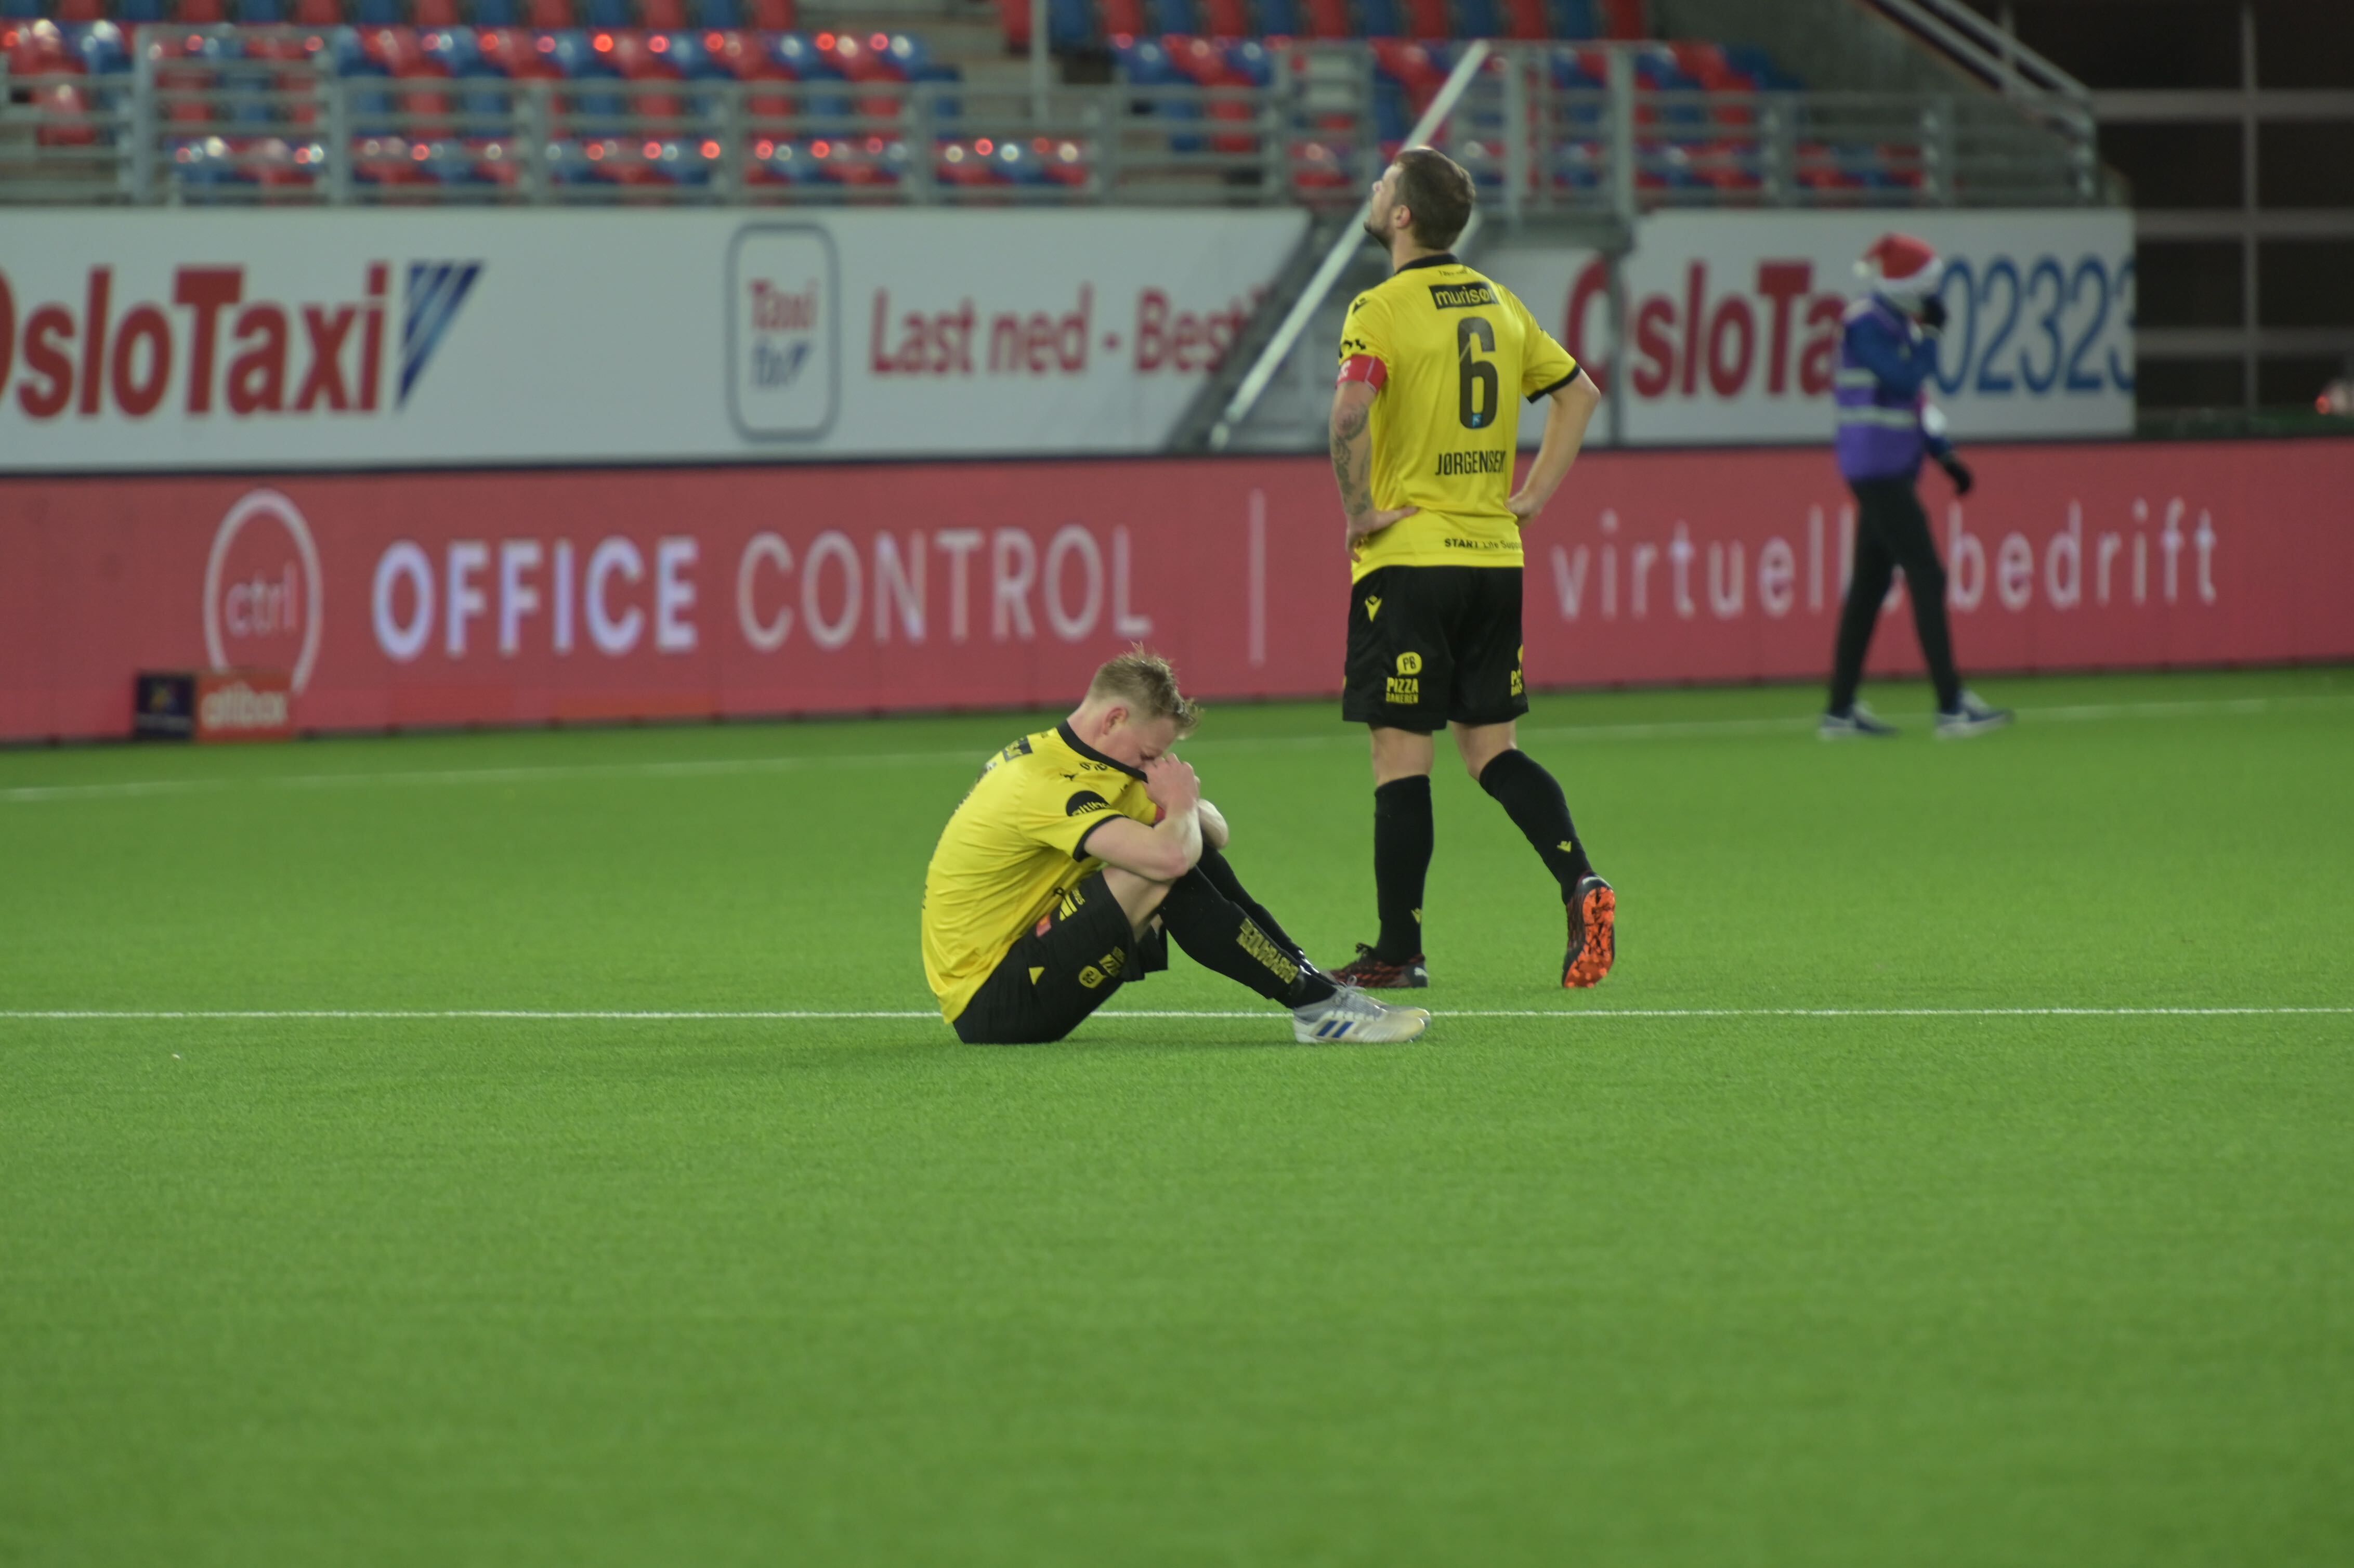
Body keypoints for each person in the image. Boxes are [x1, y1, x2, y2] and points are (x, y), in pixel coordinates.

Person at [1322, 146, 1614, 993]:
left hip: (1412, 559)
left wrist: (1358, 512)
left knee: (1399, 759)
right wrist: (1531, 497)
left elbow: (1350, 409)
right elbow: (1580, 393)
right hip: (1494, 557)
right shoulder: (1498, 301)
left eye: (1384, 183)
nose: (1373, 189)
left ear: (1402, 215)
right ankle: (1580, 880)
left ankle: (1397, 951)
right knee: (1492, 751)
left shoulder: (1379, 307)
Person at [921, 649, 1430, 1046]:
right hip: (994, 1001)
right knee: (1161, 868)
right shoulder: (1040, 782)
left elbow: (1214, 837)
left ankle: (1318, 991)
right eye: (1149, 754)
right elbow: (1171, 857)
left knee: (1184, 853)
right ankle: (1316, 1006)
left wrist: (1181, 806)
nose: (1151, 766)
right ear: (1113, 719)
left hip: (1025, 957)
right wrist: (1181, 804)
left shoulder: (1093, 760)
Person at [1822, 232, 2013, 740]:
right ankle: (1950, 706)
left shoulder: (1892, 323)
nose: (1933, 297)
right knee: (1927, 574)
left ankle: (1839, 711)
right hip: (1878, 469)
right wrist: (1930, 338)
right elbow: (1904, 382)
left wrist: (1943, 453)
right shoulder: (1866, 323)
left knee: (1870, 586)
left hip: (1885, 467)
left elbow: (1913, 402)